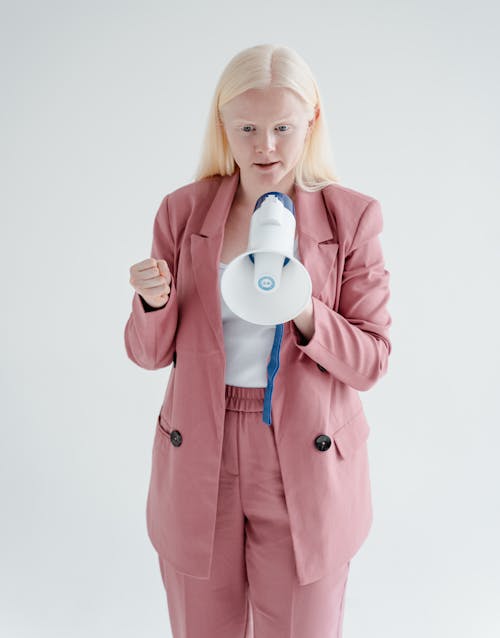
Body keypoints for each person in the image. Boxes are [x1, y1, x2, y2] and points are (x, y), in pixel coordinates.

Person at [124, 43, 392, 637]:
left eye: (280, 127)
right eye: (246, 127)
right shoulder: (182, 212)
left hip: (304, 452)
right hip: (201, 444)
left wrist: (304, 311)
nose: (264, 145)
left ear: (310, 123)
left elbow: (372, 360)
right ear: (222, 126)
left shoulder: (352, 219)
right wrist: (154, 302)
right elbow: (147, 353)